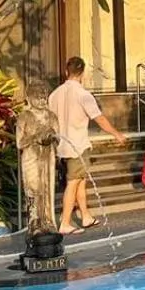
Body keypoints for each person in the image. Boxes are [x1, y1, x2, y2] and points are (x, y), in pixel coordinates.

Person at [48, 57, 126, 234]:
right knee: (73, 182)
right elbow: (99, 118)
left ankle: (85, 215)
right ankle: (65, 222)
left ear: (67, 72)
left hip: (61, 145)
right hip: (77, 145)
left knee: (81, 180)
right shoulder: (83, 95)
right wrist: (116, 134)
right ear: (82, 73)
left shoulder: (54, 94)